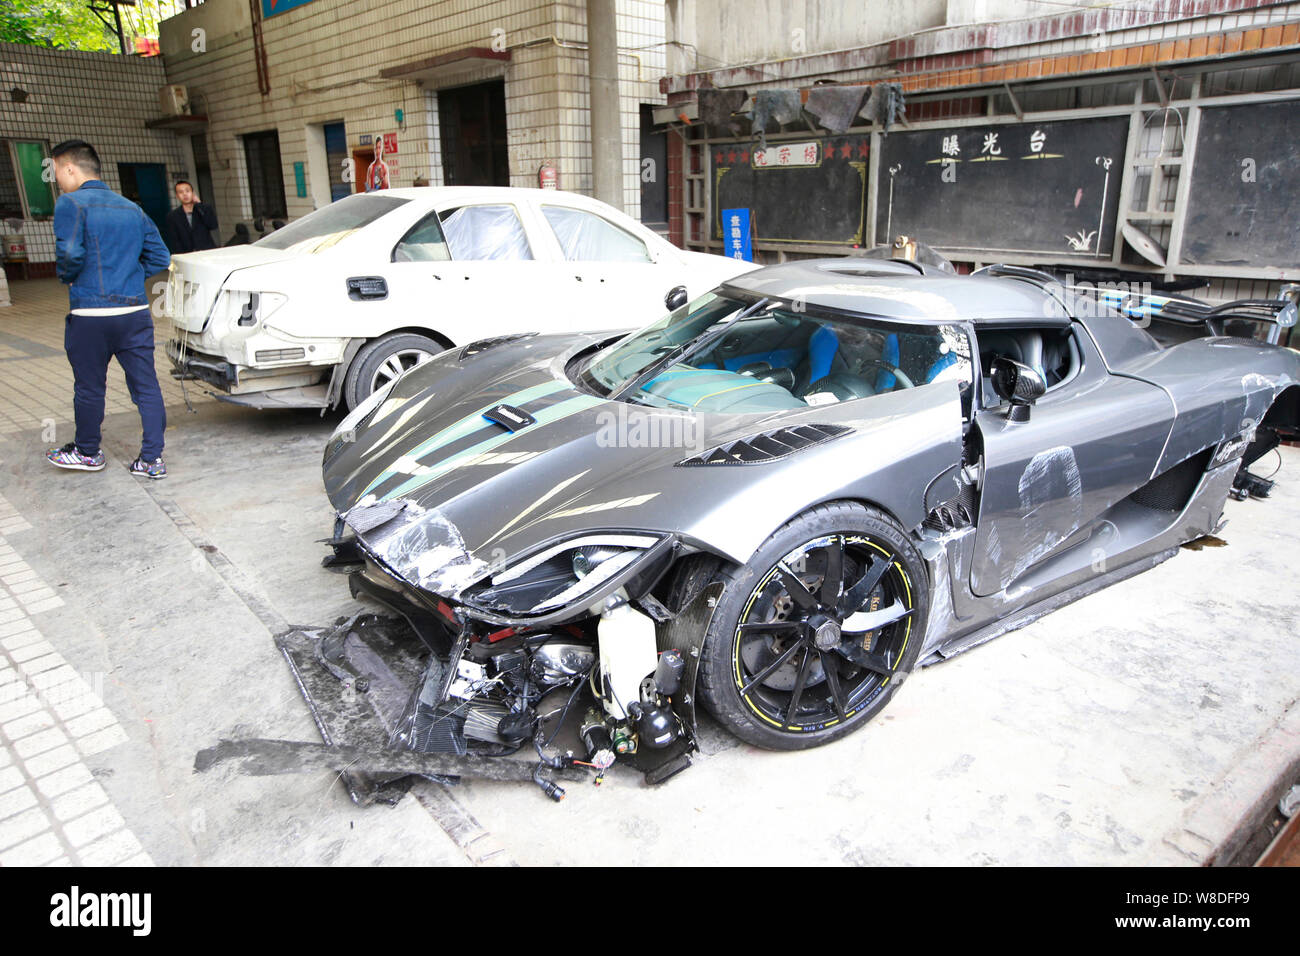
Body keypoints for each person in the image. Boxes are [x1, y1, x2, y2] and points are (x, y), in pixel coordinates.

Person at [46, 140, 171, 479]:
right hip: (135, 312)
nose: (56, 178)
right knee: (146, 385)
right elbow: (161, 258)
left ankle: (88, 452)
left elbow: (70, 253)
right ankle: (151, 460)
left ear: (70, 167)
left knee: (89, 386)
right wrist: (129, 280)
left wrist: (69, 278)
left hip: (91, 314)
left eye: (56, 170)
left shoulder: (69, 203)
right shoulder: (133, 208)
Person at [162, 180, 219, 253]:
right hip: (187, 254)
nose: (185, 194)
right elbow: (174, 240)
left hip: (207, 251)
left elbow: (213, 225)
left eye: (187, 191)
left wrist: (199, 205)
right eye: (181, 192)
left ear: (193, 193)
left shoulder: (204, 209)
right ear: (177, 196)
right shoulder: (172, 216)